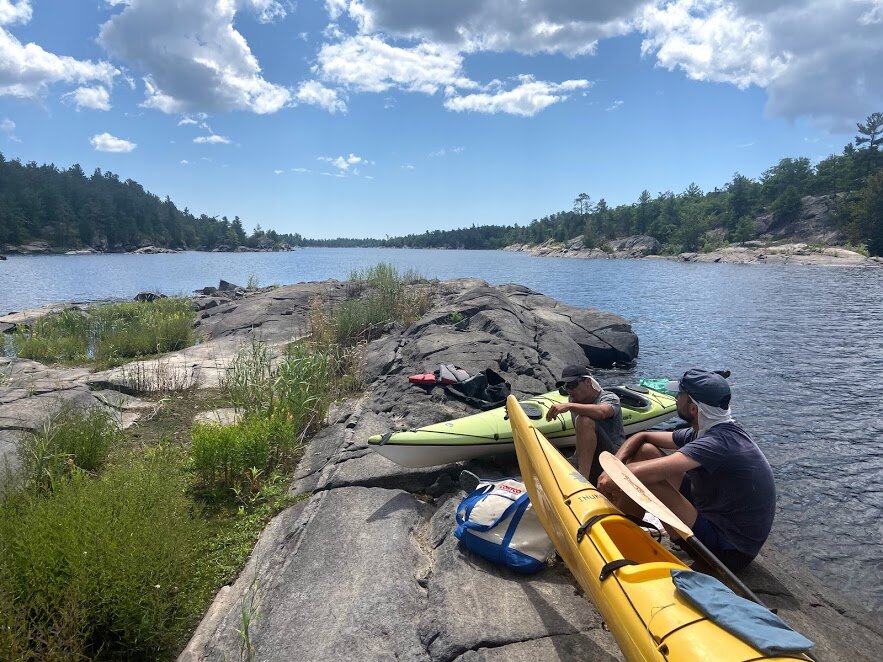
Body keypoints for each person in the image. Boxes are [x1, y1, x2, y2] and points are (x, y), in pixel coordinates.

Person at [597, 368, 776, 571]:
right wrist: (616, 464)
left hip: (727, 552)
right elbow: (643, 436)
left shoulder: (717, 442)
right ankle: (628, 526)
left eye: (680, 394)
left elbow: (647, 473)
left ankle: (618, 539)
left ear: (693, 409)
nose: (675, 398)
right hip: (712, 517)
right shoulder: (709, 430)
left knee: (646, 477)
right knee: (646, 452)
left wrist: (614, 476)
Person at [545, 365, 625, 484]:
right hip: (587, 458)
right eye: (566, 387)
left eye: (572, 385)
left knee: (584, 421)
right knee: (548, 467)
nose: (569, 391)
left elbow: (603, 412)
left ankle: (583, 482)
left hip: (613, 457)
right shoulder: (574, 400)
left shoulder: (609, 397)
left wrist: (569, 406)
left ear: (587, 382)